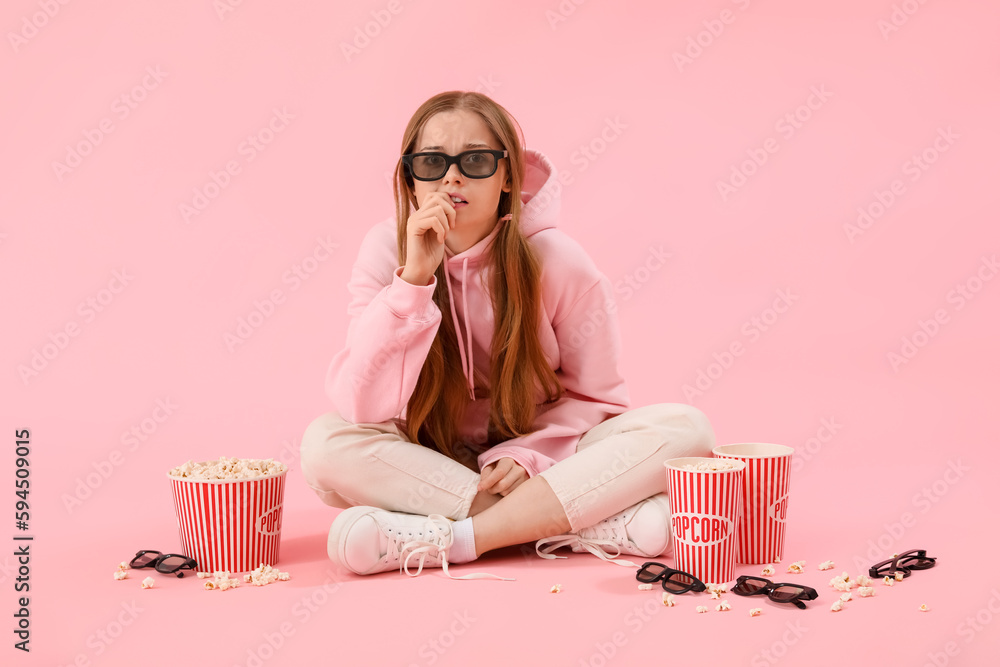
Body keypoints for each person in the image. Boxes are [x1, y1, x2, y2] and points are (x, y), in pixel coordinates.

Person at [299, 90, 715, 580]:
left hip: (544, 460)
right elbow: (363, 405)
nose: (452, 176)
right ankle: (579, 526)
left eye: (475, 160)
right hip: (432, 462)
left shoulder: (558, 262)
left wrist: (529, 455)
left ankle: (453, 539)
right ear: (411, 179)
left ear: (507, 178)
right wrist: (412, 283)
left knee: (687, 429)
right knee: (324, 446)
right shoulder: (386, 249)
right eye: (432, 162)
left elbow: (597, 400)